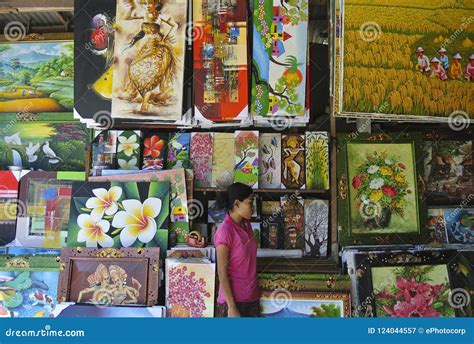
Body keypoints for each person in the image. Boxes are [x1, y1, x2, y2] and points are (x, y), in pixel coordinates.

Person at [213, 182, 260, 317]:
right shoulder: (225, 231)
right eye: (250, 203)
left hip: (251, 297)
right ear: (237, 204)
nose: (253, 207)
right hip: (233, 302)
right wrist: (231, 306)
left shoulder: (247, 225)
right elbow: (222, 273)